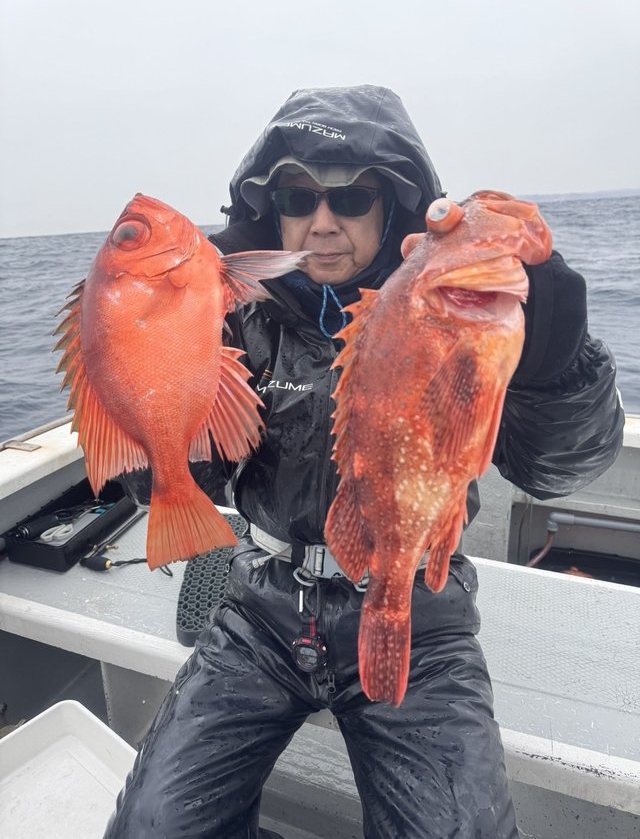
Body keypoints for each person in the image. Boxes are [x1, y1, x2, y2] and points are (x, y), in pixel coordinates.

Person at [104, 84, 625, 838]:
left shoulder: (459, 309)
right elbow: (193, 476)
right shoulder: (235, 317)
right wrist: (138, 389)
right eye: (297, 197)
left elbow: (556, 471)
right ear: (271, 209)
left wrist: (557, 367)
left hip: (421, 604)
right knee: (150, 826)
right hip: (259, 606)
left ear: (394, 207)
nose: (322, 222)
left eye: (351, 198)